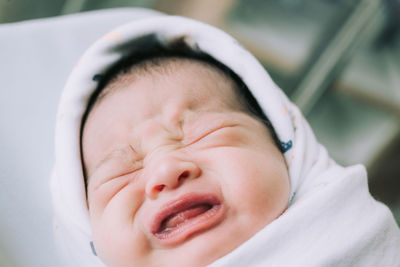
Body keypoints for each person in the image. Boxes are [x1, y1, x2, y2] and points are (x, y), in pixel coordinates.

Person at [51, 11, 400, 267]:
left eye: (204, 133)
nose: (166, 169)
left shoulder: (351, 234)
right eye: (120, 173)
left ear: (286, 148)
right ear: (85, 231)